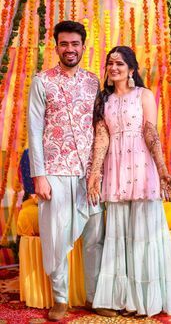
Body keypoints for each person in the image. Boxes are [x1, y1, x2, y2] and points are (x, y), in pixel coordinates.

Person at [88, 46, 171, 317]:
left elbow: (150, 131)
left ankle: (147, 301)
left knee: (144, 236)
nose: (114, 68)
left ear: (132, 69)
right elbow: (102, 137)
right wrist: (95, 174)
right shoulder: (103, 100)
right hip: (116, 168)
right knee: (119, 236)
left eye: (120, 64)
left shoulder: (143, 95)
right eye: (110, 63)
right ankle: (124, 300)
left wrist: (162, 168)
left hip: (142, 167)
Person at [28, 21, 105, 321]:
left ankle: (94, 296)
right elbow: (34, 130)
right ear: (56, 46)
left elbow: (100, 128)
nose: (70, 49)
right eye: (64, 44)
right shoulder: (42, 81)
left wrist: (99, 171)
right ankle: (60, 299)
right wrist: (39, 175)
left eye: (75, 44)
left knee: (95, 237)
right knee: (56, 237)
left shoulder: (94, 82)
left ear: (84, 46)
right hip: (55, 171)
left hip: (89, 174)